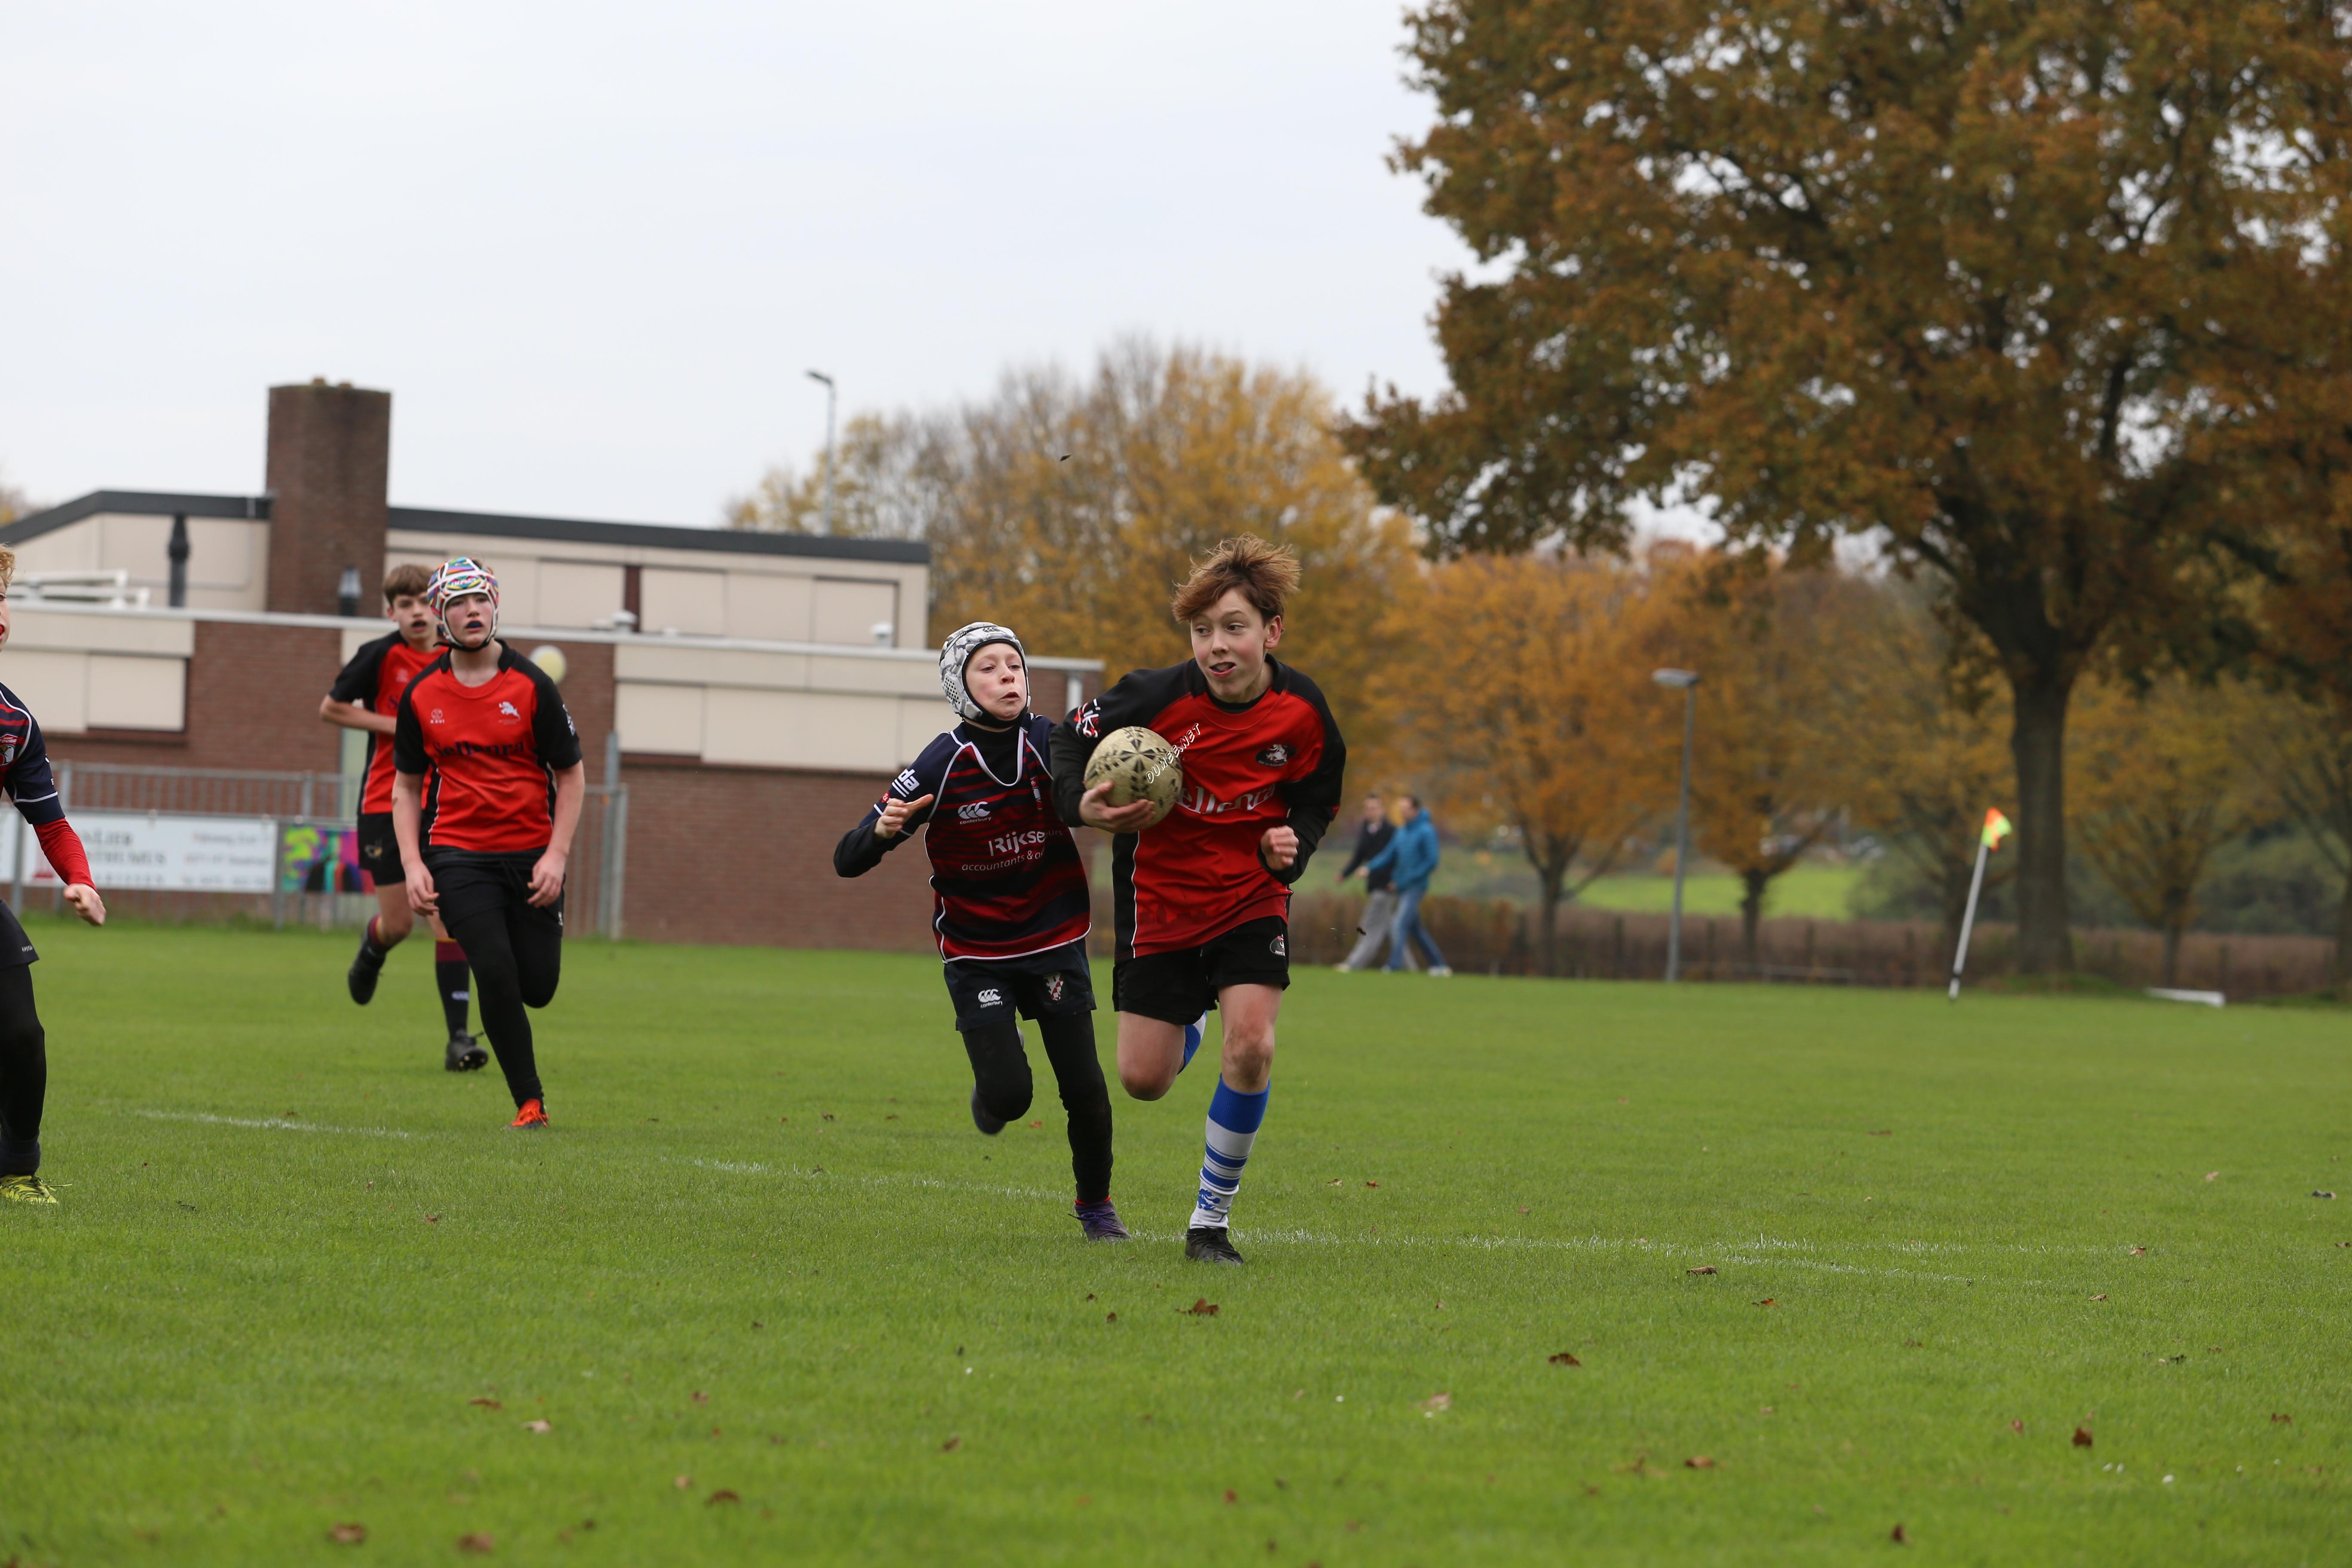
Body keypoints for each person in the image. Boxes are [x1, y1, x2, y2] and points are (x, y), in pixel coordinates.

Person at [1050, 536, 1344, 1266]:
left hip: (1251, 898)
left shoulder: (1303, 711)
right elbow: (1065, 739)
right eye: (1203, 629)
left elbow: (1317, 798)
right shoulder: (1152, 696)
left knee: (1254, 1044)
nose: (1217, 644)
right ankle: (1192, 1024)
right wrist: (1079, 806)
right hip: (1160, 904)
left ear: (1271, 631)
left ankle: (1209, 1221)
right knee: (1143, 1081)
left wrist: (1294, 847)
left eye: (1234, 627)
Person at [833, 623, 1126, 1241]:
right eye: (989, 668)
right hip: (978, 954)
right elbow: (847, 857)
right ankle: (994, 1085)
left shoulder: (1053, 744)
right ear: (959, 686)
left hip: (1054, 940)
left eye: (1014, 667)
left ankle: (1097, 1208)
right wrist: (884, 833)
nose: (1007, 677)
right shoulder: (942, 762)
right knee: (1011, 1098)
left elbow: (1105, 778)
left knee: (1086, 1089)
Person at [391, 559, 585, 1130]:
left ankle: (525, 1084)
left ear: (494, 607)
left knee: (538, 988)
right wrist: (412, 864)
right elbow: (405, 787)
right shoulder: (424, 695)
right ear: (441, 616)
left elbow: (571, 776)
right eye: (457, 603)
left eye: (479, 600)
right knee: (494, 971)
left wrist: (556, 856)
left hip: (532, 856)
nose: (471, 611)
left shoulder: (532, 686)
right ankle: (530, 1103)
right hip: (458, 855)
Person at [322, 563, 483, 1072]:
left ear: (437, 606)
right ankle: (373, 949)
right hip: (383, 803)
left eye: (422, 602)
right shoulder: (379, 656)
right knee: (398, 923)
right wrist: (397, 725)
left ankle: (459, 1039)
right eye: (404, 605)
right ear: (391, 613)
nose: (416, 613)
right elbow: (332, 708)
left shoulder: (458, 657)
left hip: (445, 808)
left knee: (445, 916)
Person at [0, 546, 107, 1205]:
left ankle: (15, 1169)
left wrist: (82, 878)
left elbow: (52, 824)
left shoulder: (13, 721)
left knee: (20, 1033)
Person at [1364, 794, 1452, 977]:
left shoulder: (1427, 831)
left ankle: (1393, 966)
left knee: (1398, 924)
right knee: (1415, 929)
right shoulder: (1402, 832)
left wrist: (1410, 878)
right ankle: (1439, 965)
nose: (1402, 813)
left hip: (1416, 887)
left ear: (1415, 810)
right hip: (1401, 886)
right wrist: (1370, 868)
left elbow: (1431, 861)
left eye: (1405, 809)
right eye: (1401, 809)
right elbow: (1389, 855)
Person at [1335, 793, 1410, 972]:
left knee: (1368, 926)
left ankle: (1353, 964)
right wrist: (1345, 874)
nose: (1371, 812)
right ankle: (1410, 967)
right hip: (1374, 885)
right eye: (1368, 808)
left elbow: (1398, 859)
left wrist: (1395, 880)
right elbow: (1359, 857)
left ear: (1382, 810)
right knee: (1393, 929)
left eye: (1374, 808)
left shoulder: (1392, 832)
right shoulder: (1365, 830)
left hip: (1386, 886)